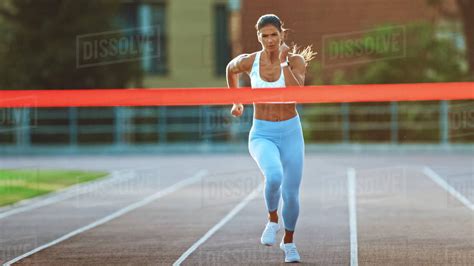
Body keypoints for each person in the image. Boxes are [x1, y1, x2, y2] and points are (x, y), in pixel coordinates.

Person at [226, 14, 315, 263]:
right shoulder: (250, 61)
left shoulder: (295, 61)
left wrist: (284, 63)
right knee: (273, 175)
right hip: (262, 133)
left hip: (290, 133)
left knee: (292, 192)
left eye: (274, 34)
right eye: (264, 35)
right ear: (258, 37)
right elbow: (230, 70)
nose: (269, 40)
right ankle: (272, 220)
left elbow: (296, 94)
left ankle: (289, 242)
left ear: (282, 35)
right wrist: (237, 101)